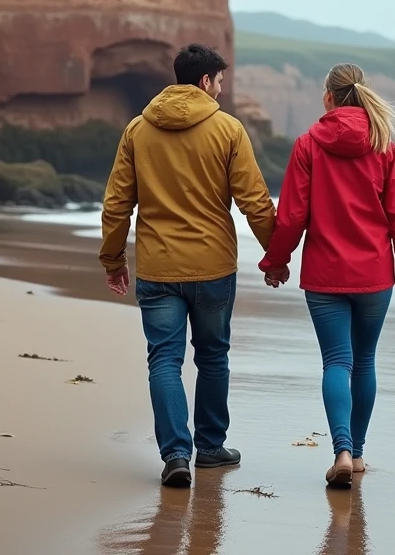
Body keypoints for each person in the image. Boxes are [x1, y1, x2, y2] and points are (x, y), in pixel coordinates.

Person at [99, 43, 277, 488]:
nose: (220, 91)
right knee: (213, 356)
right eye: (219, 82)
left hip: (158, 268)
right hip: (213, 266)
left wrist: (113, 258)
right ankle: (211, 448)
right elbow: (254, 201)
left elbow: (117, 202)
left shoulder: (138, 129)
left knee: (164, 360)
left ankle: (175, 454)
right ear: (204, 81)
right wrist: (276, 255)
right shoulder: (228, 130)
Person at [259, 63, 395, 487]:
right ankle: (360, 454)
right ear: (362, 94)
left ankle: (342, 451)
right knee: (363, 361)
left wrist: (276, 261)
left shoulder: (309, 144)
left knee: (336, 361)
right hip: (374, 276)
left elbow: (292, 216)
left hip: (325, 276)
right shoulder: (383, 144)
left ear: (329, 97)